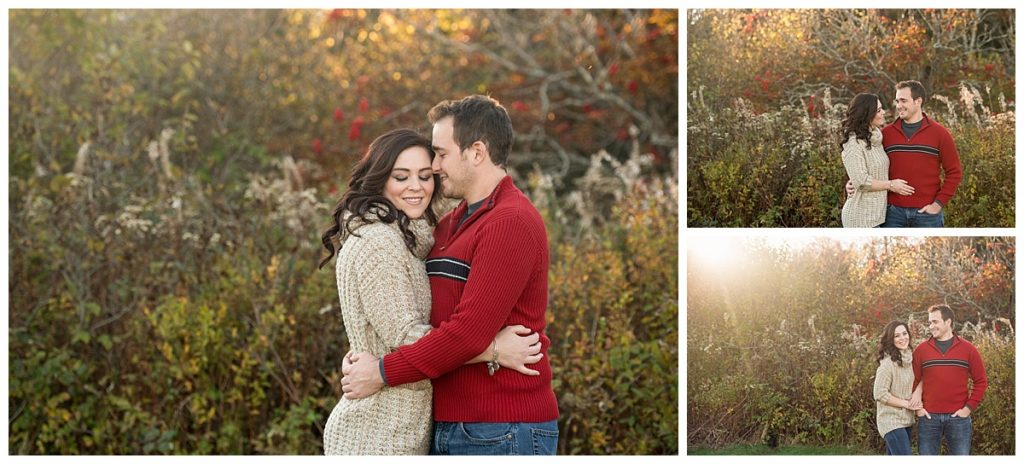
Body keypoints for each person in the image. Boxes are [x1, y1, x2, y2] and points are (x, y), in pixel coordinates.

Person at [340, 95, 560, 455]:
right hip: (452, 424)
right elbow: (413, 316)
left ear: (476, 152)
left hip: (502, 427)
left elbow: (468, 333)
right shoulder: (449, 224)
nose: (435, 165)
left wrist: (381, 371)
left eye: (440, 154)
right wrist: (365, 350)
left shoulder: (510, 221)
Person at [845, 80, 963, 227]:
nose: (898, 105)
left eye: (903, 101)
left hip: (926, 215)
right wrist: (853, 182)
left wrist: (938, 204)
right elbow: (866, 163)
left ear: (918, 101)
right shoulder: (884, 134)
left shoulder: (940, 134)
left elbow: (954, 172)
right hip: (891, 213)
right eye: (897, 101)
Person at [910, 305, 987, 455]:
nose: (931, 326)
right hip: (928, 418)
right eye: (930, 322)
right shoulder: (921, 350)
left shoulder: (968, 349)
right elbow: (912, 380)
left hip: (958, 418)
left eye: (935, 322)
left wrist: (968, 409)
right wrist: (918, 409)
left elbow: (981, 381)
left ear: (948, 322)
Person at [839, 93, 914, 227]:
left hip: (877, 216)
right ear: (867, 114)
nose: (883, 112)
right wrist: (891, 185)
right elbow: (861, 181)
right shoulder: (853, 143)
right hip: (860, 218)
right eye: (879, 110)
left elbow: (865, 173)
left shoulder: (875, 138)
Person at [873, 321, 924, 454]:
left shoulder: (912, 359)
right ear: (891, 339)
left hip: (906, 419)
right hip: (890, 421)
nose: (902, 338)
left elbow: (922, 377)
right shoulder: (887, 365)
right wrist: (907, 404)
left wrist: (917, 393)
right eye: (897, 336)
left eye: (904, 333)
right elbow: (879, 393)